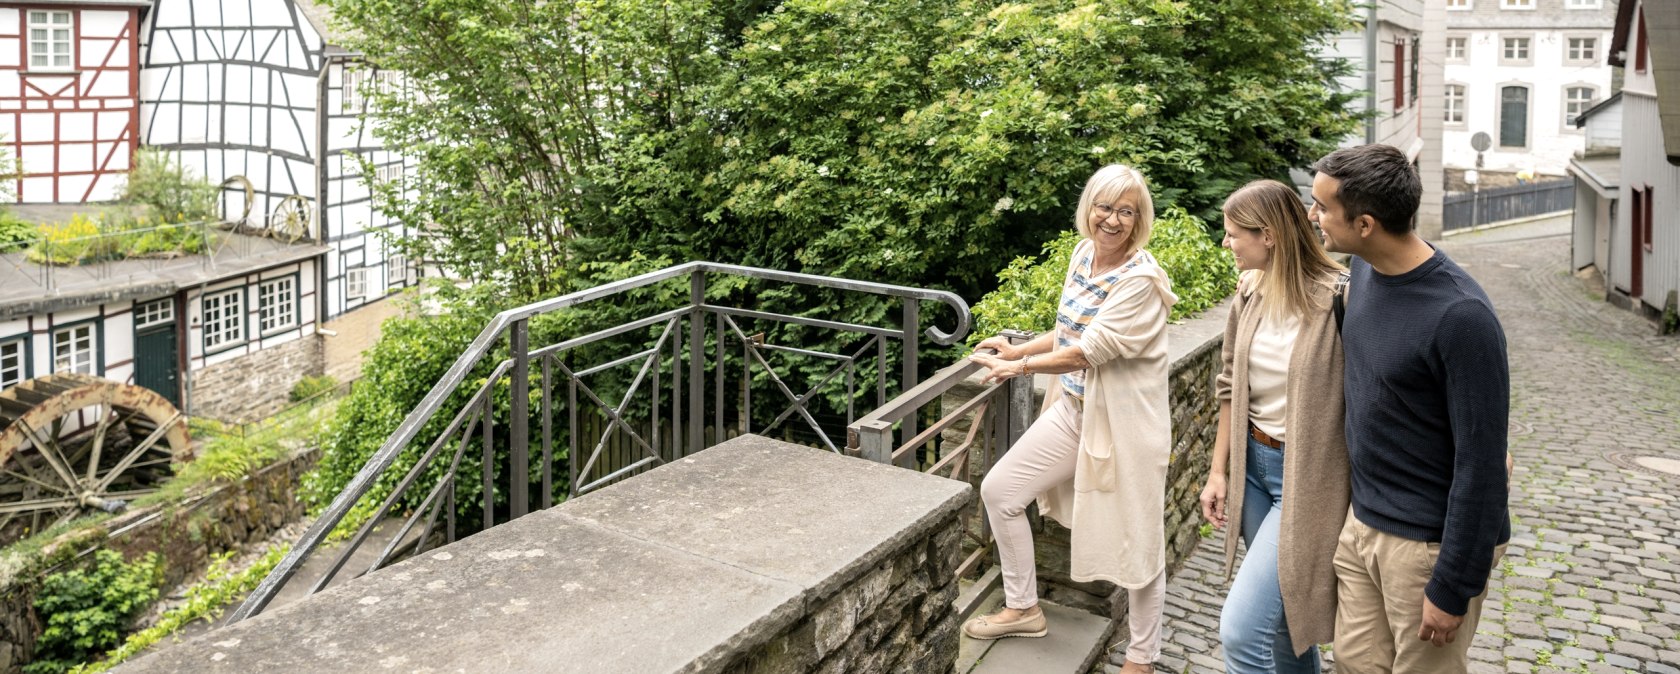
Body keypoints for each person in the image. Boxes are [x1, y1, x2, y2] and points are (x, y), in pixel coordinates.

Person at [963, 164, 1177, 674]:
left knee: (1139, 540)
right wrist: (1020, 345)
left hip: (1125, 428)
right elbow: (1067, 332)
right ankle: (1024, 608)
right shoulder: (1083, 255)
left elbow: (1092, 350)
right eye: (1105, 207)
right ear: (1089, 208)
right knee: (1001, 491)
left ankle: (1142, 660)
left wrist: (1017, 365)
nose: (1113, 219)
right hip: (1074, 410)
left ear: (1139, 219)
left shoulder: (1141, 281)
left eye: (1127, 211)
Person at [1309, 144, 1510, 673]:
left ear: (1366, 223)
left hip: (1426, 548)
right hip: (1363, 528)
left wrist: (1452, 585)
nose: (1313, 217)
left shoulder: (1461, 317)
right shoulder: (1364, 274)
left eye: (1322, 207)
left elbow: (1484, 464)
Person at [1199, 179, 1349, 673]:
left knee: (1242, 633)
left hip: (1304, 481)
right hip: (1253, 469)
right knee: (1286, 625)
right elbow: (1228, 387)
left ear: (1269, 236)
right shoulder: (1250, 293)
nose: (1226, 243)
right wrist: (1219, 471)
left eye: (1233, 234)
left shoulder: (1339, 301)